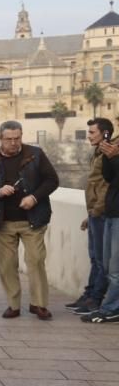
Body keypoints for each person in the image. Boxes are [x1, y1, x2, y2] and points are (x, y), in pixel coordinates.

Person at [0, 121, 59, 320]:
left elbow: (52, 180)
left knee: (36, 261)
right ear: (1, 139)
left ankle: (38, 304)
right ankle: (13, 305)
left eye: (18, 138)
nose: (14, 143)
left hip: (33, 220)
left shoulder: (35, 155)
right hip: (3, 221)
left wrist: (34, 198)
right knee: (7, 265)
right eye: (9, 139)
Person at [69, 118, 114, 316]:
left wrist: (97, 210)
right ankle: (90, 295)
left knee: (102, 260)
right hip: (95, 212)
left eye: (92, 132)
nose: (89, 136)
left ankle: (95, 299)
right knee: (95, 258)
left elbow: (105, 184)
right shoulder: (99, 152)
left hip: (102, 212)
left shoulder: (108, 152)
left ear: (105, 133)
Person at [82, 131, 119, 324]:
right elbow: (109, 177)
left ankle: (111, 308)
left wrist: (114, 157)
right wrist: (108, 157)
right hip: (111, 211)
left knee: (114, 268)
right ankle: (107, 305)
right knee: (106, 263)